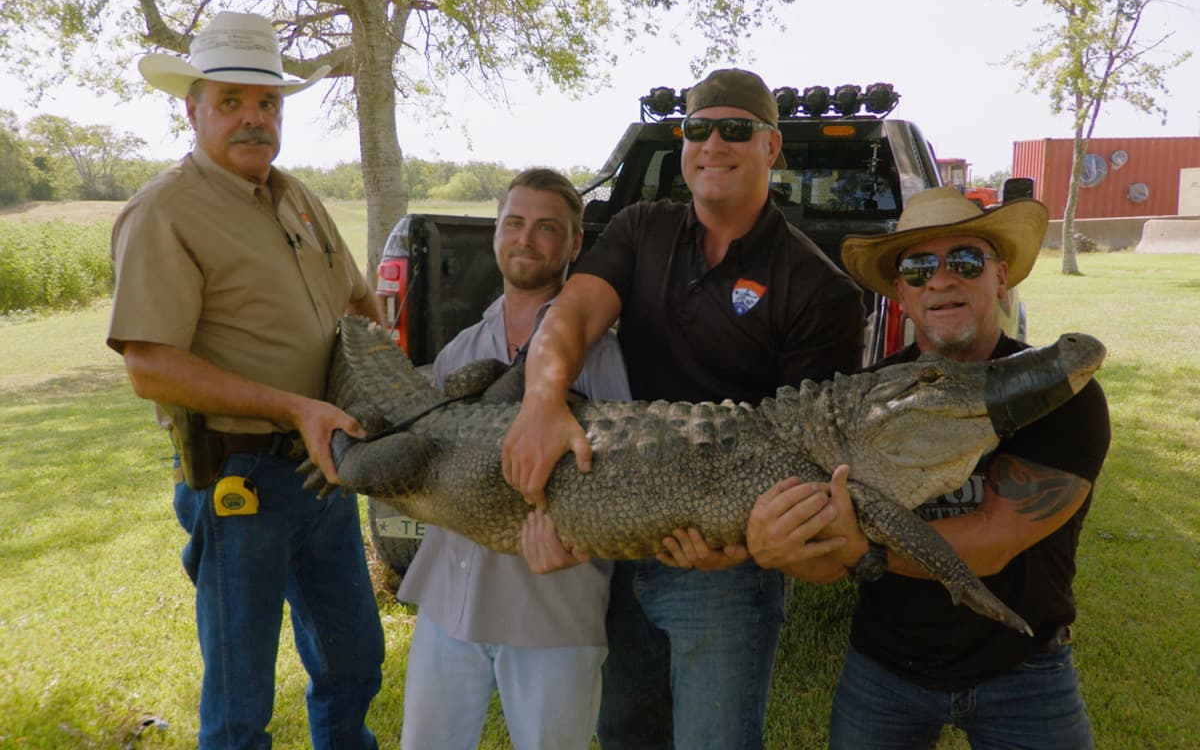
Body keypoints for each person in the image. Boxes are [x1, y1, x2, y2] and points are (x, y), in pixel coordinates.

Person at [502, 69, 865, 749]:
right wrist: (541, 397)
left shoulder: (819, 289)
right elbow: (575, 311)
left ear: (771, 147)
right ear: (682, 142)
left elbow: (814, 459)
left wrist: (739, 549)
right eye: (699, 130)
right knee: (625, 732)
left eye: (737, 130)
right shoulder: (642, 228)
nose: (714, 144)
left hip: (724, 571)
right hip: (620, 526)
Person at [746, 185, 1111, 749]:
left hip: (1025, 667)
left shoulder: (1063, 394)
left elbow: (993, 538)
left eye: (965, 260)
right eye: (918, 268)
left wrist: (859, 549)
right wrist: (777, 548)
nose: (940, 280)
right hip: (885, 667)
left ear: (1000, 276)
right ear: (901, 293)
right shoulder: (862, 400)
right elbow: (825, 549)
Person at [107, 11, 385, 749]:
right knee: (239, 704)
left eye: (267, 104)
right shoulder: (164, 210)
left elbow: (359, 303)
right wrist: (295, 406)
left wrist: (378, 366)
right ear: (191, 107)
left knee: (355, 664)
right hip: (238, 483)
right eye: (230, 102)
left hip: (323, 474)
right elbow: (148, 365)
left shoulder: (297, 197)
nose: (254, 120)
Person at [396, 168, 631, 749]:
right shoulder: (460, 351)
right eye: (515, 223)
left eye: (547, 227)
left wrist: (578, 544)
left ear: (575, 245)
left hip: (553, 607)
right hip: (449, 602)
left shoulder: (600, 354)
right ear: (496, 234)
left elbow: (622, 474)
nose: (527, 238)